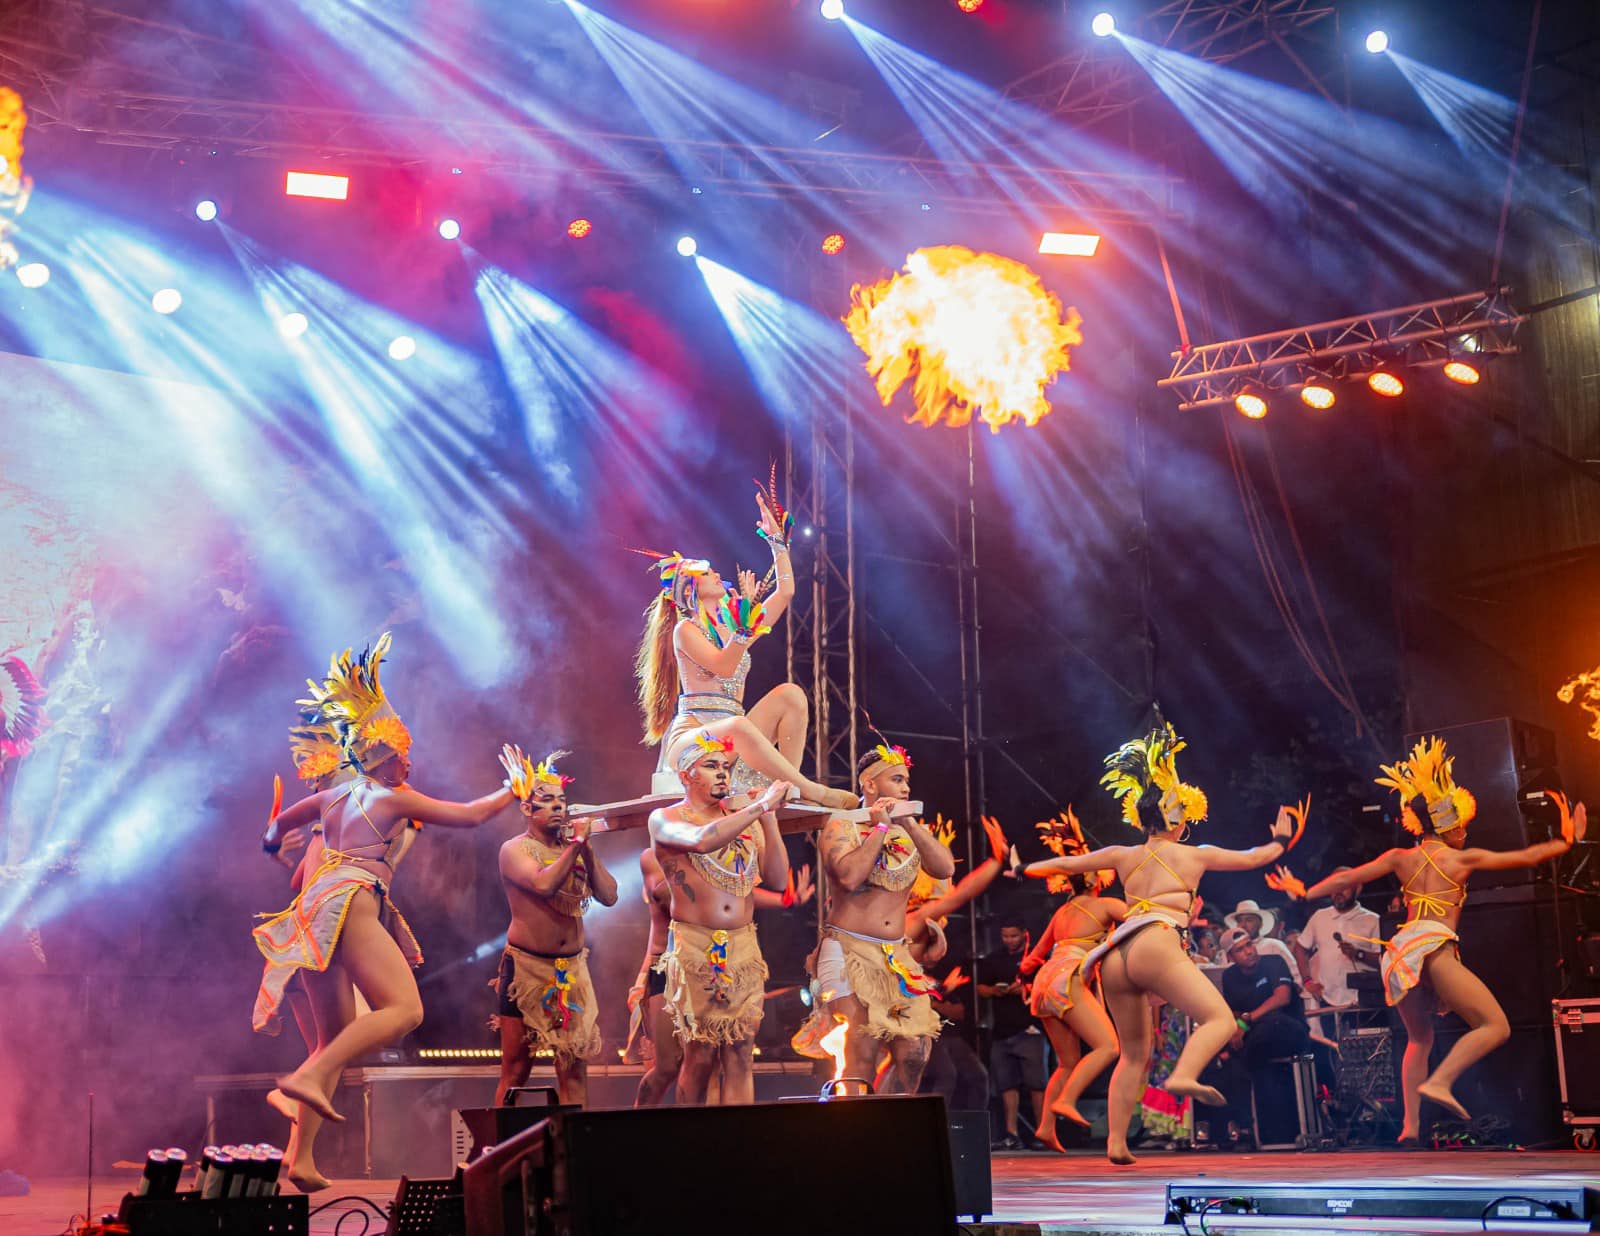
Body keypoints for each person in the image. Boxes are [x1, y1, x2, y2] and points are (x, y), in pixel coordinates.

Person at [255, 635, 514, 1190]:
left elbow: (275, 830)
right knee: (404, 1011)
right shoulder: (389, 797)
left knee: (336, 1037)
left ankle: (300, 1156)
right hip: (350, 902)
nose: (410, 762)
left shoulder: (330, 800)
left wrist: (273, 843)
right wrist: (512, 790)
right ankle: (308, 1077)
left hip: (315, 913)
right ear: (384, 758)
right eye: (403, 754)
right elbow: (470, 816)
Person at [1023, 722, 1300, 1165]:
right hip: (1157, 940)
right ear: (1177, 819)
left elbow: (1061, 864)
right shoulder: (1194, 853)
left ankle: (1117, 1142)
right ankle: (1184, 1076)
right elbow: (1257, 857)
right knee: (1219, 1020)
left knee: (1133, 1054)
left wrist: (1022, 868)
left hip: (1116, 954)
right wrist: (1282, 838)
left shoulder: (1122, 854)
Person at [1300, 737, 1585, 1141]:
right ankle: (1441, 1080)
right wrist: (1564, 842)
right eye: (1462, 825)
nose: (1465, 832)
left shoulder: (1400, 858)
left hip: (1399, 951)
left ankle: (1410, 1128)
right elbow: (1524, 857)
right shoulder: (1461, 858)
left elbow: (1348, 877)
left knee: (1419, 1038)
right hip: (1432, 945)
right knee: (1496, 1025)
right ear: (1449, 824)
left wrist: (1304, 891)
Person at [633, 489, 855, 809]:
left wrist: (777, 543)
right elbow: (724, 667)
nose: (717, 574)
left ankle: (788, 785)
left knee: (791, 695)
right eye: (707, 573)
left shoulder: (733, 627)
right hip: (695, 739)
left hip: (735, 737)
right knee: (738, 727)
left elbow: (785, 592)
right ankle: (809, 789)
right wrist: (743, 627)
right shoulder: (686, 630)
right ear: (691, 590)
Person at [792, 743, 958, 1096]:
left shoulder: (910, 831)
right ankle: (854, 1125)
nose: (906, 788)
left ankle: (890, 1120)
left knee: (914, 1052)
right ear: (869, 784)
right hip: (847, 950)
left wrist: (908, 823)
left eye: (907, 781)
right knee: (862, 1049)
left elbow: (944, 868)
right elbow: (849, 877)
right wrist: (880, 828)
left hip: (896, 956)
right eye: (897, 779)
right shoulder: (840, 825)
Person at [649, 730, 791, 1105]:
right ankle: (694, 1135)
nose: (723, 773)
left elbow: (778, 880)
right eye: (712, 766)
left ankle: (737, 1135)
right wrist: (758, 808)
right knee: (699, 1055)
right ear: (686, 775)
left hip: (743, 945)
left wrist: (770, 819)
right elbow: (701, 841)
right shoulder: (664, 819)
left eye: (726, 767)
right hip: (695, 946)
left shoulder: (743, 820)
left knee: (742, 1052)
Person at [629, 849, 813, 1106]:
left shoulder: (723, 852)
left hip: (718, 961)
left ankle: (720, 1128)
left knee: (717, 1056)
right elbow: (667, 894)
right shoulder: (656, 853)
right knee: (668, 1066)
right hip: (668, 964)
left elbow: (738, 893)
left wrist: (783, 900)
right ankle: (637, 1120)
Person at [492, 746, 618, 1108]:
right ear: (526, 809)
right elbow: (544, 884)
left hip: (572, 970)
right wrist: (575, 844)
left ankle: (572, 1142)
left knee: (573, 1068)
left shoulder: (575, 848)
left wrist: (587, 848)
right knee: (517, 1069)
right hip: (527, 969)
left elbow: (609, 895)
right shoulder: (514, 849)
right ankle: (500, 1141)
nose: (558, 807)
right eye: (547, 801)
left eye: (562, 800)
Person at [1019, 823, 1126, 1152]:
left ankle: (1046, 1127)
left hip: (1044, 983)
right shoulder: (1106, 905)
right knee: (1109, 1046)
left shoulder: (1061, 913)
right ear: (1096, 879)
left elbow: (1029, 963)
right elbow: (1140, 919)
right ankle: (1066, 1100)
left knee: (1068, 1061)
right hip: (1069, 977)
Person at [1199, 928, 1312, 1145]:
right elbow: (1232, 1011)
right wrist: (1234, 1029)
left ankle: (1247, 1126)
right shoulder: (1230, 976)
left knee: (1267, 1027)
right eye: (1240, 950)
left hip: (1289, 1030)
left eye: (1249, 945)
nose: (1249, 951)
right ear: (1230, 957)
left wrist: (1246, 1020)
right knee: (1218, 1059)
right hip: (1255, 1037)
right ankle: (1239, 1128)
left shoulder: (1273, 962)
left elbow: (1282, 998)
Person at [978, 913, 1048, 1150]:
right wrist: (995, 991)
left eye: (1013, 936)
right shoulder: (994, 958)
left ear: (1024, 934)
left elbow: (1048, 987)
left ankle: (1043, 1132)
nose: (1009, 940)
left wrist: (1027, 989)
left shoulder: (1036, 958)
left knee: (1037, 1084)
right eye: (1005, 936)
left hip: (1031, 1029)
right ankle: (1011, 1134)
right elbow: (980, 988)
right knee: (1006, 1084)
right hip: (1002, 1031)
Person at [1291, 868, 1379, 1023]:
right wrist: (1308, 981)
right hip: (1327, 1000)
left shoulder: (1372, 920)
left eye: (1343, 886)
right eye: (1333, 886)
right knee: (1332, 1040)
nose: (1338, 891)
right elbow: (1300, 948)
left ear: (1358, 888)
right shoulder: (1320, 916)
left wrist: (1359, 954)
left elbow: (1384, 960)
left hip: (1364, 1002)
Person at [1222, 899, 1304, 989]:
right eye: (1239, 921)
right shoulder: (1230, 952)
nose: (1243, 925)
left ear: (1260, 924)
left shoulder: (1274, 945)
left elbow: (1297, 978)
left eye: (1249, 920)